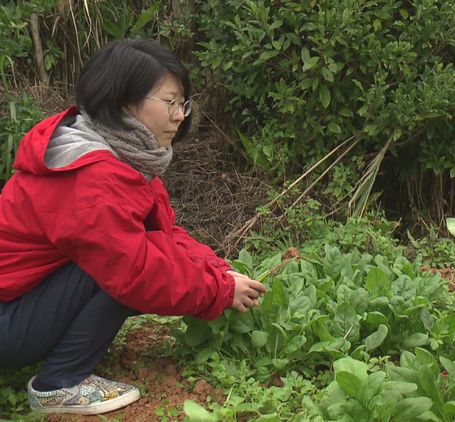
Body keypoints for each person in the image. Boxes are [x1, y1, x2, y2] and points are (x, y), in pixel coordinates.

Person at [0, 38, 267, 415]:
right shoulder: (93, 176)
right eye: (170, 102)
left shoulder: (116, 153)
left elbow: (164, 231)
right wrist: (219, 292)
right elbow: (135, 271)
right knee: (123, 271)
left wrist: (218, 271)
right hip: (7, 321)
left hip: (18, 305)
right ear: (125, 100)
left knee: (133, 255)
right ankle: (59, 384)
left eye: (183, 103)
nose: (180, 115)